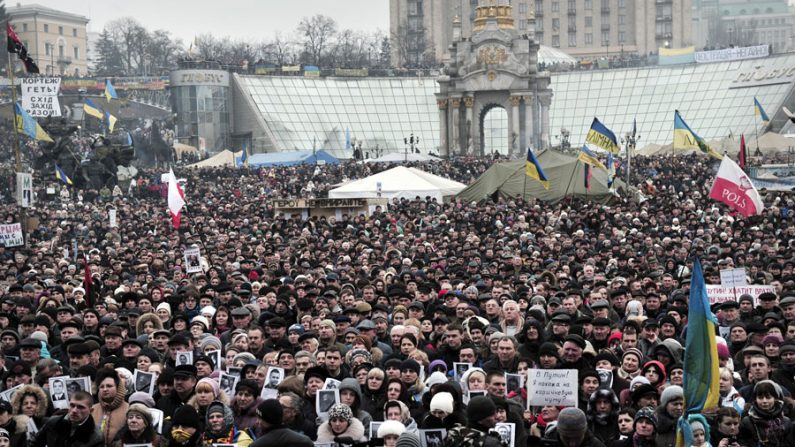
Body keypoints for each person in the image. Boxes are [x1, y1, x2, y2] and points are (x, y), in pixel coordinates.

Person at [31, 391, 103, 447]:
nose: (74, 410)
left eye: (81, 407)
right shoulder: (53, 422)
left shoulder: (96, 436)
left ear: (91, 411)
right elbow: (35, 443)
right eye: (72, 405)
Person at [91, 368, 129, 446]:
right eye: (101, 387)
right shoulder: (92, 409)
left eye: (109, 386)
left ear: (118, 388)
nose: (105, 389)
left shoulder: (129, 410)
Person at [541, 407, 605, 447]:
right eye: (567, 438)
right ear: (559, 432)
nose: (572, 444)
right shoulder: (548, 443)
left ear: (584, 433)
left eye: (577, 438)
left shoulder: (596, 445)